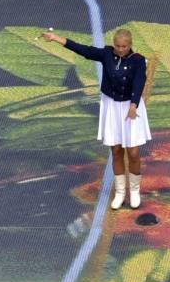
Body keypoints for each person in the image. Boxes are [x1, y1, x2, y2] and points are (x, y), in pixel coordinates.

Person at [42, 28, 151, 209]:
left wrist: (133, 105)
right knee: (116, 150)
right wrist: (56, 38)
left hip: (130, 107)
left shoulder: (138, 61)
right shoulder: (107, 54)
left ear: (130, 45)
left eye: (124, 46)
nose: (120, 49)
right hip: (111, 107)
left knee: (133, 152)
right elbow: (84, 50)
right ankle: (120, 192)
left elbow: (140, 81)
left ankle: (134, 191)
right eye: (117, 46)